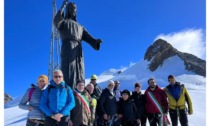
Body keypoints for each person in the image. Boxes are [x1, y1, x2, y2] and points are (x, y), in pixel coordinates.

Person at [54, 1, 102, 89]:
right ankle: (68, 90)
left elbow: (89, 37)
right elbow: (56, 20)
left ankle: (80, 91)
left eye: (75, 8)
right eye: (71, 8)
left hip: (78, 50)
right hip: (68, 47)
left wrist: (96, 42)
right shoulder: (64, 22)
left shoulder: (80, 26)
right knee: (68, 69)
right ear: (68, 10)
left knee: (80, 70)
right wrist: (63, 6)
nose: (73, 10)